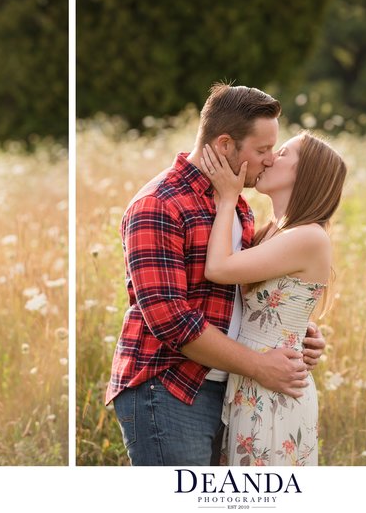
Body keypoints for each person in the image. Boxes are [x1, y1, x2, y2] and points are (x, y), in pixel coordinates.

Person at [105, 83, 327, 466]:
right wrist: (260, 365)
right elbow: (171, 320)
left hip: (228, 388)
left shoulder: (237, 205)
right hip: (169, 388)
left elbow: (240, 298)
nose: (269, 160)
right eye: (261, 150)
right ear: (225, 145)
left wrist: (292, 330)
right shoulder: (158, 205)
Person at [199, 131, 345, 466]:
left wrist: (226, 198)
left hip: (274, 389)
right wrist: (304, 328)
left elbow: (219, 267)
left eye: (282, 153)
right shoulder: (269, 231)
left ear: (304, 173)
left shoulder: (308, 237)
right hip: (251, 381)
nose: (268, 159)